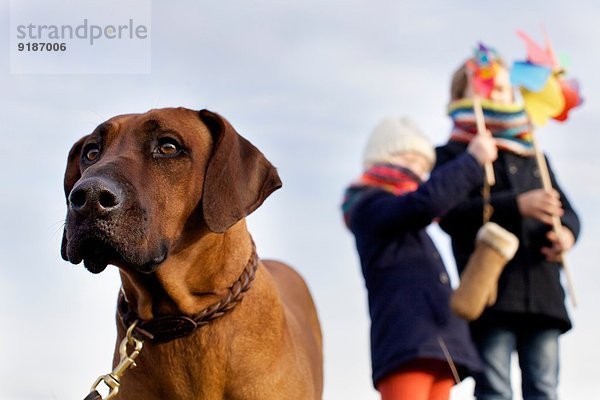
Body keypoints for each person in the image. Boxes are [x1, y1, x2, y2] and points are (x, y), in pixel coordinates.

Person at [435, 57, 581, 400]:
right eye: (486, 87)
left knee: (544, 387)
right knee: (494, 389)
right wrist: (517, 205)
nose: (497, 95)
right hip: (490, 295)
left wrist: (567, 235)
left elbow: (570, 213)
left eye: (502, 88)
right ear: (462, 94)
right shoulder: (455, 154)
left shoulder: (535, 155)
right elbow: (449, 215)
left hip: (542, 292)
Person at [342, 116, 497, 400]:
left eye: (424, 166)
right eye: (409, 159)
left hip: (437, 341)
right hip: (406, 341)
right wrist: (472, 161)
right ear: (380, 159)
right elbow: (426, 202)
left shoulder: (408, 220)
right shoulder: (370, 206)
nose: (417, 171)